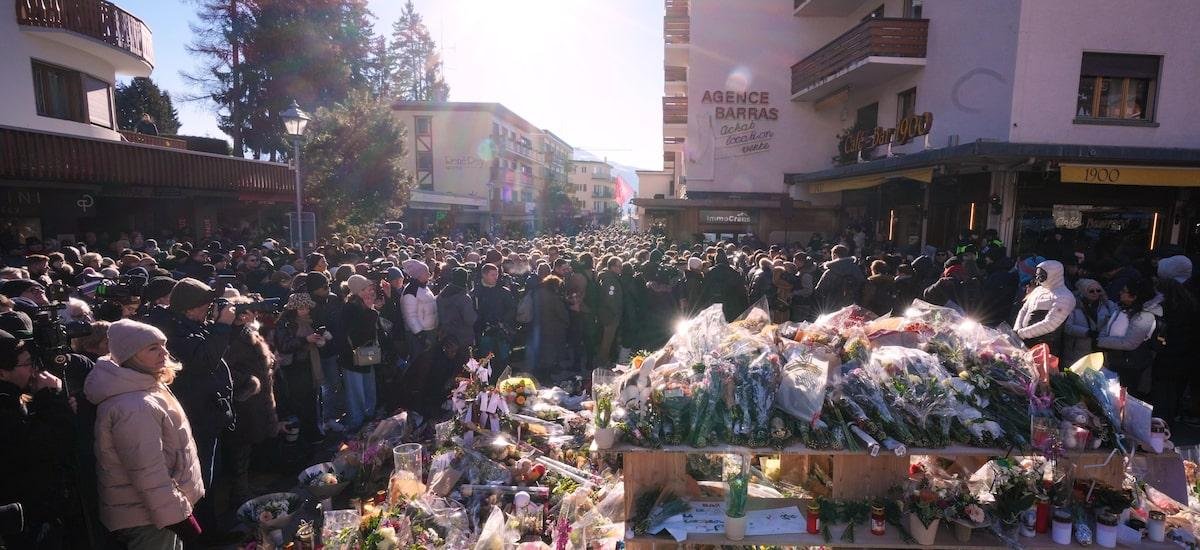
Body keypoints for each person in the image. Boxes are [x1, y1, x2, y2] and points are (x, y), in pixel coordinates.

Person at [85, 319, 204, 550]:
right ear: (131, 355)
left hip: (158, 510)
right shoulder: (134, 405)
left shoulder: (145, 386)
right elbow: (148, 471)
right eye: (153, 348)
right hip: (148, 517)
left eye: (163, 345)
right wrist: (178, 517)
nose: (164, 353)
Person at [162, 278, 235, 538]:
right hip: (198, 415)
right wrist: (222, 326)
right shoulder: (174, 332)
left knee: (212, 474)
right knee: (201, 477)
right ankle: (205, 534)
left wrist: (229, 326)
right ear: (190, 308)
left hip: (210, 411)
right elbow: (203, 360)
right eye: (206, 304)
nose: (209, 308)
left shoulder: (192, 325)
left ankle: (213, 525)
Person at [0, 329, 76, 549]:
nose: (34, 370)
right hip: (24, 519)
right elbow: (44, 448)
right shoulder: (5, 408)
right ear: (2, 373)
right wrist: (51, 399)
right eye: (26, 364)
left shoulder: (13, 399)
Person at [223, 298, 279, 505]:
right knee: (240, 447)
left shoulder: (247, 331)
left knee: (248, 445)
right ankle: (240, 492)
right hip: (243, 400)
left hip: (257, 399)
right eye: (250, 312)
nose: (255, 315)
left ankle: (246, 486)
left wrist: (270, 362)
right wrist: (248, 383)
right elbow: (225, 367)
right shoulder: (230, 337)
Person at [1095, 278, 1157, 394]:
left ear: (1134, 296)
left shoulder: (1145, 316)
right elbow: (1107, 328)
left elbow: (1130, 343)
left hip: (1130, 365)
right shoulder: (1121, 308)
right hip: (1116, 360)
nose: (1120, 293)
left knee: (1124, 396)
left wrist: (1101, 341)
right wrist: (1101, 339)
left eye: (1124, 291)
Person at [340, 275, 381, 431]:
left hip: (366, 353)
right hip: (353, 356)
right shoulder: (350, 308)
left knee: (369, 386)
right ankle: (356, 422)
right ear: (358, 291)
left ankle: (369, 416)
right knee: (356, 391)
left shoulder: (362, 305)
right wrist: (371, 311)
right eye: (365, 289)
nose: (369, 292)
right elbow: (358, 333)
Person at [1014, 260, 1075, 357]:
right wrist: (1017, 329)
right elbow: (1024, 310)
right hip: (1023, 342)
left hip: (1045, 347)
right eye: (1037, 275)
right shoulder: (1038, 290)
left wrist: (1021, 334)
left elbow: (1051, 324)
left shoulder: (1065, 296)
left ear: (1054, 274)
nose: (1038, 278)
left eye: (1042, 275)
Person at [1062, 279, 1117, 366]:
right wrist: (1087, 332)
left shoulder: (1108, 305)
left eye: (1098, 290)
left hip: (1100, 349)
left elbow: (1114, 321)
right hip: (1078, 350)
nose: (1095, 293)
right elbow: (1067, 327)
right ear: (1083, 291)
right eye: (1091, 291)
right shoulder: (1073, 306)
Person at [474, 263, 515, 373]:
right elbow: (473, 312)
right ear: (484, 275)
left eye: (496, 274)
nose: (496, 277)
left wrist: (503, 322)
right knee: (485, 360)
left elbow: (512, 309)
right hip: (484, 332)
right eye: (492, 275)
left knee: (503, 359)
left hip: (501, 332)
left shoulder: (503, 292)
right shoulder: (476, 292)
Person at [528, 274, 569, 375]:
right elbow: (561, 312)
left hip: (538, 325)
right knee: (552, 349)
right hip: (553, 327)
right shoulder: (553, 297)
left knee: (542, 348)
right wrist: (566, 322)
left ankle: (539, 368)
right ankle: (550, 369)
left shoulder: (537, 292)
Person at [400, 260, 438, 357]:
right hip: (418, 335)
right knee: (419, 360)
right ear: (419, 274)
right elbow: (410, 316)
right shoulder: (411, 291)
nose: (429, 274)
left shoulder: (424, 287)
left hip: (429, 330)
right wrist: (421, 335)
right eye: (426, 272)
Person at [436, 268, 477, 351]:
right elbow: (470, 319)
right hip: (462, 337)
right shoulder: (464, 298)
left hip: (446, 335)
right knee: (463, 357)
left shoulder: (441, 295)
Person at [814, 245, 864, 312]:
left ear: (834, 255)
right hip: (854, 304)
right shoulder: (856, 268)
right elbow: (862, 283)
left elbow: (819, 290)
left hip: (833, 306)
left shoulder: (830, 271)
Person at [595, 257, 623, 366]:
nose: (621, 268)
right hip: (610, 315)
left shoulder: (609, 277)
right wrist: (616, 312)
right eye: (619, 266)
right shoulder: (610, 280)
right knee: (607, 340)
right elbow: (610, 298)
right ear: (612, 267)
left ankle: (603, 360)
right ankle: (602, 362)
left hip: (607, 313)